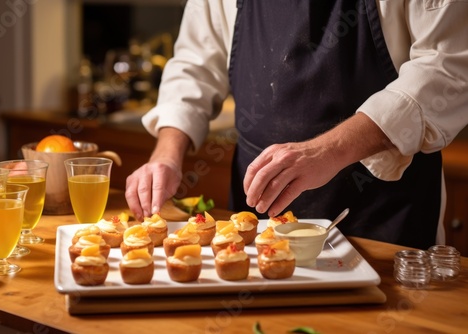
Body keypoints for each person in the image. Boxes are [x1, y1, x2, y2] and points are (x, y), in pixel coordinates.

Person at [125, 0, 468, 249]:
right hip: (255, 222)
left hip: (384, 218)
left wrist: (328, 150)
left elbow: (447, 70)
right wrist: (166, 155)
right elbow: (194, 66)